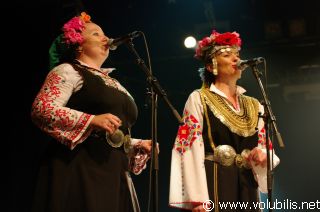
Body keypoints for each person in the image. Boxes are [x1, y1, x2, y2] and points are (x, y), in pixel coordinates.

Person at [31, 11, 151, 212]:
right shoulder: (68, 71)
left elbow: (112, 129)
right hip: (80, 165)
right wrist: (91, 120)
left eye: (104, 34)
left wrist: (137, 144)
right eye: (95, 34)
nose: (105, 38)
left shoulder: (114, 82)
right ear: (78, 43)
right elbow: (42, 108)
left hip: (113, 170)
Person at [169, 30, 280, 211]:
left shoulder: (254, 105)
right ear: (210, 65)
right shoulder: (199, 98)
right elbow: (187, 145)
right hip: (215, 181)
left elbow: (263, 143)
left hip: (247, 185)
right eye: (227, 55)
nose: (236, 59)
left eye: (237, 55)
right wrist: (197, 199)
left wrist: (262, 155)